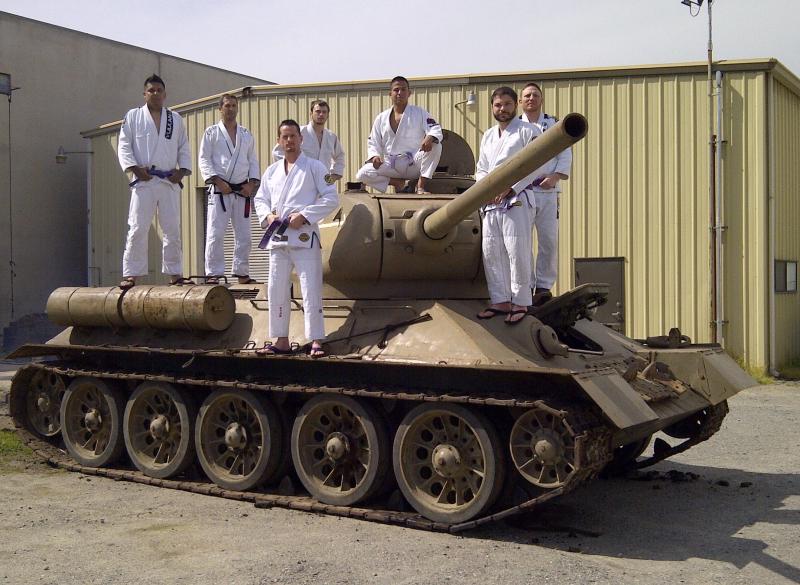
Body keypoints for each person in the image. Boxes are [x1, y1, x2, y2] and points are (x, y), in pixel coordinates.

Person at [253, 120, 339, 358]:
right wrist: (268, 216)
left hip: (304, 238)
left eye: (293, 136)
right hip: (278, 239)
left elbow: (332, 197)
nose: (289, 141)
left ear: (301, 139)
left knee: (310, 289)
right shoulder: (271, 171)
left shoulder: (317, 167)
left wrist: (305, 215)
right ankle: (280, 339)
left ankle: (315, 340)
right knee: (276, 289)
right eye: (285, 137)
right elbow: (260, 199)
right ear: (279, 141)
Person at [117, 74, 192, 289]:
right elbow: (124, 145)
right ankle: (131, 274)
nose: (156, 93)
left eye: (159, 90)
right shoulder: (133, 117)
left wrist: (183, 171)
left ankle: (175, 273)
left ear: (165, 94)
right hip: (144, 179)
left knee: (172, 229)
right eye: (151, 90)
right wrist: (134, 169)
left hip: (168, 180)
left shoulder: (175, 119)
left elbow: (183, 147)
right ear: (144, 94)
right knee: (138, 227)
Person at [475, 87, 541, 325]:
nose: (502, 109)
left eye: (506, 104)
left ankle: (521, 301)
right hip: (491, 201)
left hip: (517, 198)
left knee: (517, 250)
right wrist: (487, 189)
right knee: (492, 251)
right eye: (497, 105)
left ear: (516, 105)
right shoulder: (489, 135)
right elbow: (481, 167)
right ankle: (500, 300)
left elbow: (538, 164)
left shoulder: (529, 131)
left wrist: (511, 187)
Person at [519, 82, 573, 306]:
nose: (531, 98)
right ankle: (525, 285)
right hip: (522, 191)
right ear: (521, 102)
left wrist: (556, 176)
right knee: (521, 242)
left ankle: (543, 286)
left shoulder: (553, 124)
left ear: (541, 100)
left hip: (548, 190)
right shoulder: (514, 126)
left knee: (548, 240)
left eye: (535, 95)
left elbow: (565, 151)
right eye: (527, 96)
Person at [199, 93, 261, 284]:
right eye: (227, 105)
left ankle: (242, 273)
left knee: (244, 235)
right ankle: (213, 275)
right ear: (220, 108)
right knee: (215, 234)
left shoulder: (246, 134)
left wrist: (251, 184)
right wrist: (218, 181)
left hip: (242, 191)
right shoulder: (211, 133)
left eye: (234, 105)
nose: (231, 109)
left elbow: (252, 160)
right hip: (220, 191)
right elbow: (204, 159)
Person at [355, 76, 442, 194]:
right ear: (390, 94)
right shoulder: (381, 118)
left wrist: (430, 137)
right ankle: (397, 183)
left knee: (437, 146)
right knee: (362, 174)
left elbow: (435, 128)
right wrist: (374, 156)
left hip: (414, 164)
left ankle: (420, 186)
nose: (399, 93)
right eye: (396, 90)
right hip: (391, 165)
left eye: (403, 89)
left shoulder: (419, 113)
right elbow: (373, 141)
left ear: (409, 93)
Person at [272, 99, 345, 184]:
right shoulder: (299, 132)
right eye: (318, 111)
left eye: (324, 112)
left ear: (328, 115)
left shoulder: (331, 136)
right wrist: (293, 170)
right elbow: (277, 152)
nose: (321, 114)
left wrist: (333, 176)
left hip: (323, 182)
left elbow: (340, 156)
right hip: (302, 181)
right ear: (311, 114)